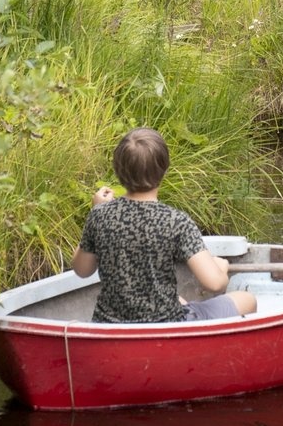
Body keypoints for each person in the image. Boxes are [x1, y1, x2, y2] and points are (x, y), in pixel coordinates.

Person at [71, 127, 257, 324]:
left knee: (180, 300)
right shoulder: (177, 221)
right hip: (166, 324)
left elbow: (82, 270)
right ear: (164, 169)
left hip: (109, 325)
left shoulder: (99, 215)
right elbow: (214, 284)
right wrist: (222, 268)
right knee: (247, 300)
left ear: (117, 170)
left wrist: (96, 210)